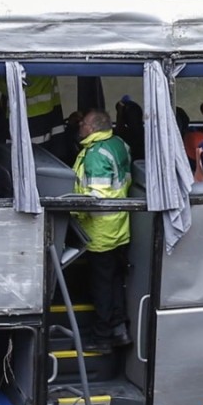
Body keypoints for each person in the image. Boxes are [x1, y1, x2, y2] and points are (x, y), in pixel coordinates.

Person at [72, 109, 132, 348]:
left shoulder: (95, 154)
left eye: (83, 123)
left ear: (93, 128)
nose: (80, 126)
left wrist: (73, 211)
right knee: (115, 281)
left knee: (101, 287)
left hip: (100, 229)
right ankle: (120, 330)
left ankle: (101, 339)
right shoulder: (119, 144)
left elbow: (96, 198)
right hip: (120, 224)